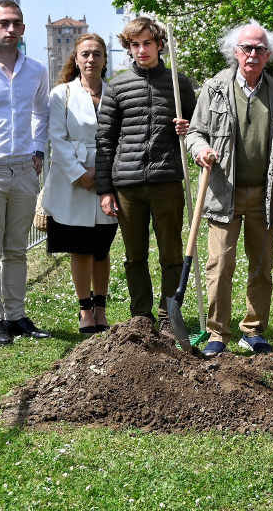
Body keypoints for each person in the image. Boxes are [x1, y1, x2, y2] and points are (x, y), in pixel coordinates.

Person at [186, 21, 273, 356]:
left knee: (262, 266)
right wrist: (200, 149)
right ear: (235, 51)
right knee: (220, 264)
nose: (252, 54)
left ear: (269, 55)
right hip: (224, 192)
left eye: (259, 49)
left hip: (265, 196)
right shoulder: (215, 88)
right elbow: (195, 132)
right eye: (247, 48)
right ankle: (217, 333)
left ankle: (253, 331)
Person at [96, 17, 195, 328]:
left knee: (172, 253)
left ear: (160, 45)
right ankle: (141, 316)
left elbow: (198, 127)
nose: (141, 50)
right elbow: (104, 140)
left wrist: (188, 126)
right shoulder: (117, 86)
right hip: (128, 184)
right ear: (128, 48)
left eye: (147, 43)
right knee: (134, 254)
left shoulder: (180, 84)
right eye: (134, 45)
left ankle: (169, 316)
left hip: (167, 180)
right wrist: (105, 189)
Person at [0, 0, 51, 345]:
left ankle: (16, 316)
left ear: (23, 28)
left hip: (24, 169)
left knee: (17, 247)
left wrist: (39, 149)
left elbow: (41, 113)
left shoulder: (36, 70)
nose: (10, 29)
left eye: (16, 23)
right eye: (4, 23)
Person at [41, 33, 119, 335]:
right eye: (85, 54)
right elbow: (56, 140)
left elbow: (120, 137)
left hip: (107, 180)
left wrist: (103, 176)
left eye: (96, 54)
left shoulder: (114, 93)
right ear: (76, 59)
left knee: (101, 247)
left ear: (104, 59)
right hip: (73, 182)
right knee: (80, 248)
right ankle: (85, 309)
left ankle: (101, 307)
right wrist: (80, 173)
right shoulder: (62, 94)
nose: (90, 59)